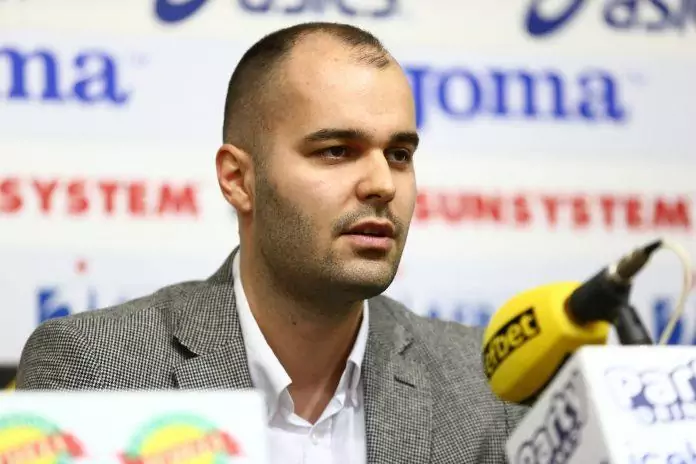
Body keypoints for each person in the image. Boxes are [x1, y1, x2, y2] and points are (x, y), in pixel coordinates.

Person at [16, 22, 528, 463]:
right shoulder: (94, 367)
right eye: (336, 151)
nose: (382, 184)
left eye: (398, 154)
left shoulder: (486, 384)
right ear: (238, 179)